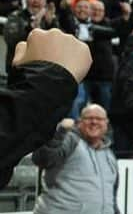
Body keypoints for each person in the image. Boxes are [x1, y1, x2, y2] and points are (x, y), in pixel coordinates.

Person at [0, 28, 91, 187]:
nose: (95, 123)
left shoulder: (108, 151)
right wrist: (49, 78)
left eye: (100, 119)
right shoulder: (70, 137)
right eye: (91, 118)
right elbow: (44, 158)